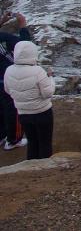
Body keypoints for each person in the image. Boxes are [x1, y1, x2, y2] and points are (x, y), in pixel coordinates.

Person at [3, 41, 54, 159]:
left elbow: (8, 90)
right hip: (42, 113)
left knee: (32, 142)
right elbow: (48, 93)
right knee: (44, 143)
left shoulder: (9, 70)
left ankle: (31, 169)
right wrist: (50, 77)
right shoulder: (38, 71)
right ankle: (45, 170)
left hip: (23, 113)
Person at [0, 11, 31, 151]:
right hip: (7, 78)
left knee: (1, 107)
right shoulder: (5, 38)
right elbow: (25, 47)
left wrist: (1, 22)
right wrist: (23, 25)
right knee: (13, 108)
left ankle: (2, 135)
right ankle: (14, 139)